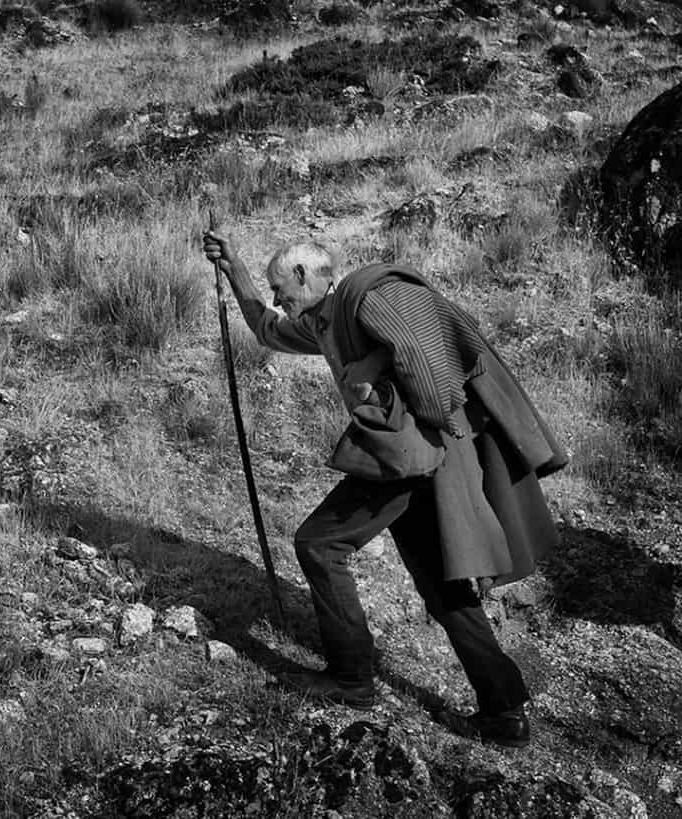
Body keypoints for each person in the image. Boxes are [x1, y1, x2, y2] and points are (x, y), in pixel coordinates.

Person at [202, 231, 568, 748]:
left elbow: (424, 357)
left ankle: (352, 679)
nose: (279, 298)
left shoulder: (370, 296)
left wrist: (422, 417)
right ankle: (504, 711)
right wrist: (233, 268)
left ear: (306, 275)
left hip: (412, 460)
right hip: (414, 461)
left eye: (280, 287)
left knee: (320, 544)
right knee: (443, 590)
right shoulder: (328, 322)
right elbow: (268, 329)